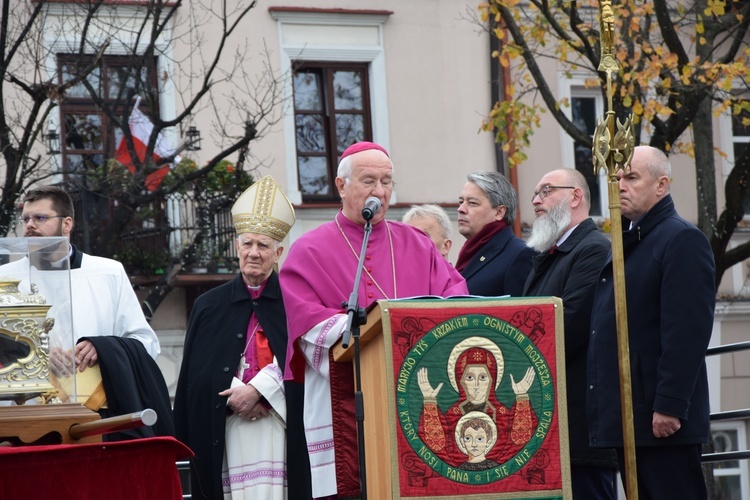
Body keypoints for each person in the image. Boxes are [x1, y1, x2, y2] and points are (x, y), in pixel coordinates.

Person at [280, 141, 468, 498]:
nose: (379, 192)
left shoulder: (417, 243)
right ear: (341, 186)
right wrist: (373, 331)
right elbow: (306, 324)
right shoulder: (308, 250)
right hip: (346, 402)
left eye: (387, 182)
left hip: (420, 396)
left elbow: (454, 300)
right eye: (368, 181)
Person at [587, 146, 716, 499]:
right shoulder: (632, 241)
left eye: (631, 177)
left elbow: (687, 330)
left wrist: (670, 405)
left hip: (659, 420)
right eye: (616, 179)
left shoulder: (680, 239)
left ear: (661, 185)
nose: (620, 186)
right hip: (631, 416)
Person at [174, 176, 310, 499]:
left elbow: (303, 366)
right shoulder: (208, 306)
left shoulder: (296, 303)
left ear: (278, 252)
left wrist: (261, 392)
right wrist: (235, 392)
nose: (253, 253)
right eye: (247, 244)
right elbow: (196, 378)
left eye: (263, 246)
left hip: (277, 428)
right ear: (237, 246)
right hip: (228, 428)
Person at [522, 169, 617, 498]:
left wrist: (519, 350)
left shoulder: (592, 249)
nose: (536, 200)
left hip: (580, 428)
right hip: (551, 425)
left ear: (575, 196)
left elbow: (571, 324)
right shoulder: (549, 257)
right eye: (535, 193)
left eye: (545, 191)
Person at [11, 185, 159, 368]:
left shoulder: (109, 273)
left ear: (67, 224)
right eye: (25, 219)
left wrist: (103, 347)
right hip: (28, 395)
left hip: (96, 394)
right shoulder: (6, 277)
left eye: (40, 218)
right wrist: (34, 355)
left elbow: (147, 344)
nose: (30, 225)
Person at [417, 336, 536, 467]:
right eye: (470, 377)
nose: (476, 385)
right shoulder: (453, 413)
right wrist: (429, 401)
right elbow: (438, 448)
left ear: (492, 379)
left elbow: (518, 444)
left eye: (483, 377)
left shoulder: (502, 413)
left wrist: (521, 396)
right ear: (460, 380)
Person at [456, 171, 534, 296]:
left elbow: (520, 312)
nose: (461, 209)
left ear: (499, 212)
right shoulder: (470, 251)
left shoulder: (520, 254)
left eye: (472, 203)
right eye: (461, 202)